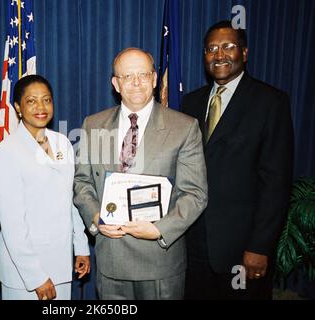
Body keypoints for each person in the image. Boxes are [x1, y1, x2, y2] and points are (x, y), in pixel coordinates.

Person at [73, 48, 208, 300]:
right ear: (116, 83)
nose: (136, 83)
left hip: (160, 261)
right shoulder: (93, 125)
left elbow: (195, 193)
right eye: (127, 76)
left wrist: (160, 230)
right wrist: (95, 216)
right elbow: (82, 182)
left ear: (155, 79)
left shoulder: (185, 127)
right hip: (111, 260)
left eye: (143, 75)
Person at [181, 21, 294, 300]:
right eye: (211, 49)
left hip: (242, 248)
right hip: (194, 246)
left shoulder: (270, 102)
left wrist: (259, 246)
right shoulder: (190, 103)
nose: (219, 55)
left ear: (244, 53)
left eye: (228, 47)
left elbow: (275, 183)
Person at [0, 75, 90, 300]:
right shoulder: (5, 153)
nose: (41, 107)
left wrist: (81, 246)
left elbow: (70, 199)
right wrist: (35, 276)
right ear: (17, 107)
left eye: (46, 100)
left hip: (61, 262)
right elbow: (12, 223)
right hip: (24, 274)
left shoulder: (62, 143)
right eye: (31, 101)